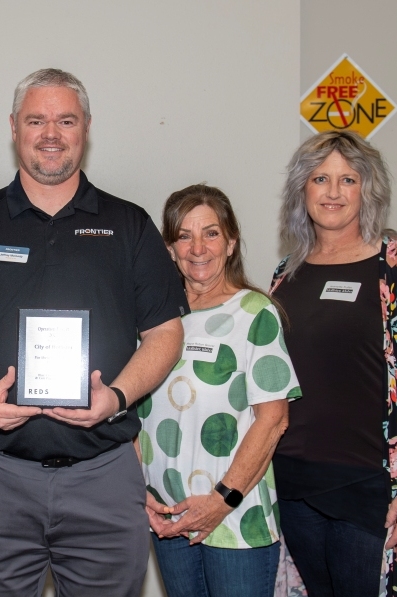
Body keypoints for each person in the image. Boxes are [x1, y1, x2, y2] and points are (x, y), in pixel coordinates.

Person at [0, 68, 188, 596]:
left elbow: (165, 334)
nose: (51, 134)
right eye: (36, 120)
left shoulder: (129, 225)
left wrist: (116, 398)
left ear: (86, 127)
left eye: (66, 120)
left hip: (103, 477)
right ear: (14, 127)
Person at [270, 130, 397, 597]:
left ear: (366, 189)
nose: (333, 192)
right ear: (302, 189)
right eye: (320, 178)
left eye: (348, 179)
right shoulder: (286, 274)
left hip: (372, 488)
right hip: (293, 484)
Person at [141, 184, 298, 597]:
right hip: (168, 516)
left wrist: (220, 501)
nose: (198, 248)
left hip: (234, 516)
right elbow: (136, 417)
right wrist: (140, 495)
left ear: (230, 243)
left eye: (211, 233)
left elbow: (273, 420)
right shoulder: (153, 319)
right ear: (169, 249)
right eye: (184, 236)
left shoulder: (255, 313)